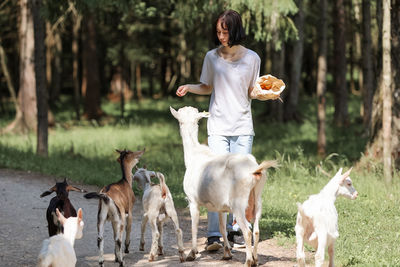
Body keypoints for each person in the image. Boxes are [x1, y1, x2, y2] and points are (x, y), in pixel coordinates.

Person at [176, 9, 276, 252]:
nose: (221, 36)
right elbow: (207, 86)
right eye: (218, 32)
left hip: (242, 127)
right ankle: (213, 235)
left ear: (235, 30)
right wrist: (189, 87)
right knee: (214, 180)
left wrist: (266, 94)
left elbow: (253, 90)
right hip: (218, 126)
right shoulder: (211, 57)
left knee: (241, 181)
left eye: (225, 31)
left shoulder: (252, 58)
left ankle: (234, 229)